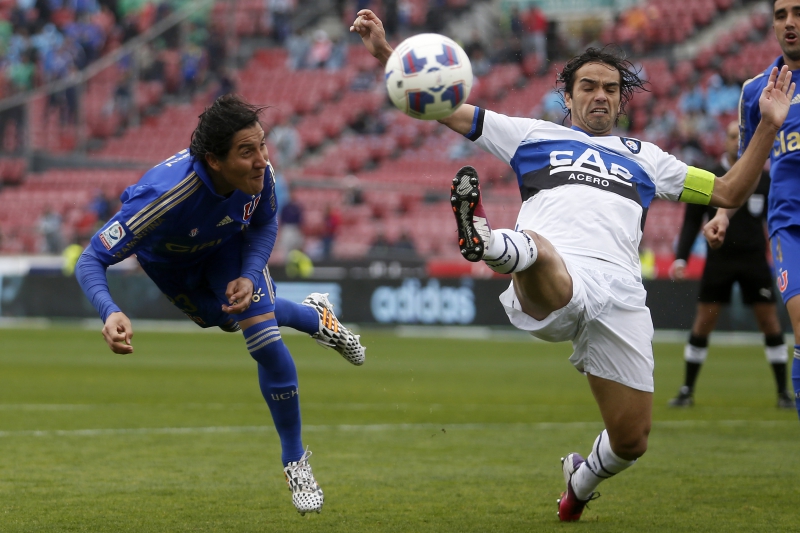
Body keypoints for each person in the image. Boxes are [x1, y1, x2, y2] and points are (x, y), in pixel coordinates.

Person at [350, 9, 793, 522]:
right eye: (588, 86)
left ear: (622, 100)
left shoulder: (648, 158)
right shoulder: (529, 134)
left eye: (610, 88)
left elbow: (729, 190)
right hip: (553, 273)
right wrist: (390, 56)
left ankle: (578, 484)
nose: (599, 96)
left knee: (632, 440)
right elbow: (445, 106)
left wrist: (767, 125)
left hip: (622, 293)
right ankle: (491, 242)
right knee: (540, 248)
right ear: (568, 95)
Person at [74, 94, 366, 516]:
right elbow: (92, 258)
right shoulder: (163, 197)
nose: (262, 159)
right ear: (214, 160)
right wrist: (110, 310)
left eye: (262, 146)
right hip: (173, 268)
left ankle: (295, 462)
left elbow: (265, 223)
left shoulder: (259, 175)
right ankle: (314, 315)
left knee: (262, 336)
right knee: (225, 319)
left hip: (228, 248)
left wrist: (249, 275)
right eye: (247, 151)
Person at [706, 0, 800, 420]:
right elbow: (746, 167)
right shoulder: (755, 90)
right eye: (781, 15)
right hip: (789, 228)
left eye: (798, 12)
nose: (790, 23)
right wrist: (723, 214)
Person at [668, 121, 793, 409]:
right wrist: (681, 257)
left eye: (742, 137)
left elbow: (774, 221)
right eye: (732, 136)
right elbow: (690, 221)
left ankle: (783, 393)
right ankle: (687, 390)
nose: (737, 141)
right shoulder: (709, 176)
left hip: (754, 261)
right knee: (704, 322)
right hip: (719, 262)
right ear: (724, 142)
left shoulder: (764, 180)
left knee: (769, 322)